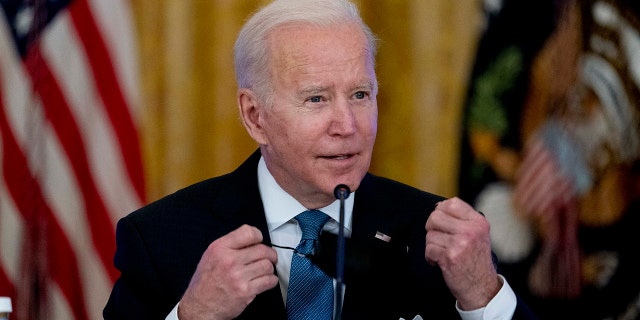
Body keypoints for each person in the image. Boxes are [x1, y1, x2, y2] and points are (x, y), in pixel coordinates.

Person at [103, 0, 537, 319]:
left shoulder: (439, 238)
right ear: (255, 116)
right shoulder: (160, 240)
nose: (347, 124)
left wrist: (483, 294)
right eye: (316, 98)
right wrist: (193, 316)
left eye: (360, 95)